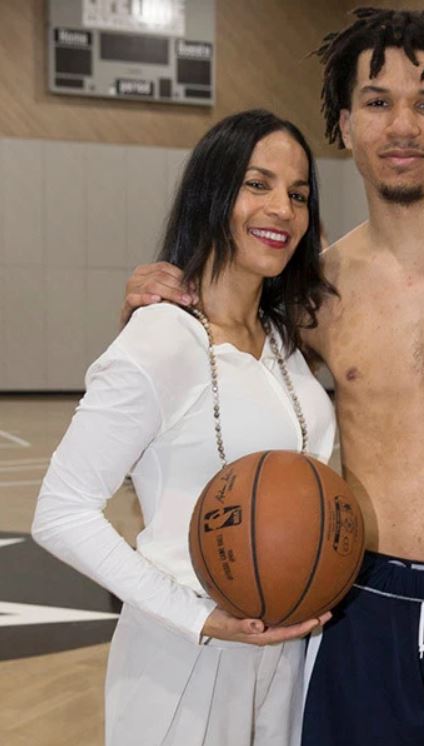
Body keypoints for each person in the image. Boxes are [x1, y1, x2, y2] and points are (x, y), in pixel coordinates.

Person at [123, 9, 424, 746]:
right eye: (378, 102)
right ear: (345, 125)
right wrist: (146, 303)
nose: (402, 125)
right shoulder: (312, 292)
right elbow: (204, 380)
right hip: (363, 605)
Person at [32, 109, 339, 746]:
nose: (282, 207)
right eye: (258, 184)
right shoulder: (160, 338)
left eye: (299, 193)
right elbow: (60, 511)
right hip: (183, 665)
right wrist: (195, 617)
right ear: (212, 193)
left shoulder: (285, 340)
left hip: (285, 659)